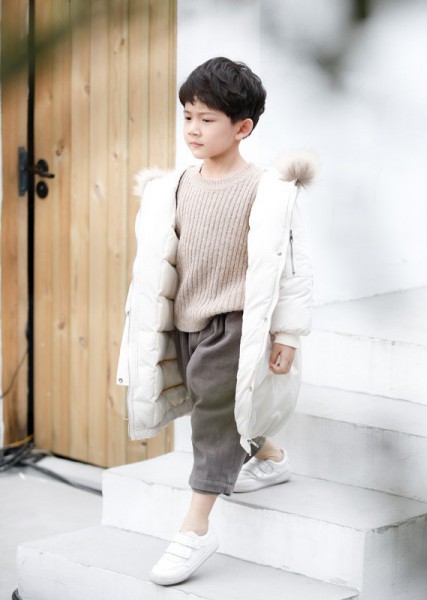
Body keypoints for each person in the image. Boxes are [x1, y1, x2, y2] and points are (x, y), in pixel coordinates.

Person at [116, 56, 316, 586]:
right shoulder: (173, 187)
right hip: (187, 321)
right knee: (217, 406)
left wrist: (287, 333)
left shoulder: (269, 190)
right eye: (187, 116)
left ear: (242, 127)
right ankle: (271, 456)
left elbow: (293, 269)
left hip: (237, 323)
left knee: (211, 419)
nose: (193, 129)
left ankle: (195, 527)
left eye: (207, 119)